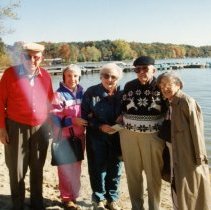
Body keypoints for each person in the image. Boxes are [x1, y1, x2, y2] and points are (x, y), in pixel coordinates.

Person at [0, 42, 53, 210]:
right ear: (21, 57)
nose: (32, 60)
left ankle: (37, 203)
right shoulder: (10, 74)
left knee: (37, 167)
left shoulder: (45, 75)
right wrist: (2, 128)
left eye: (36, 57)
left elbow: (49, 101)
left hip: (40, 127)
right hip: (16, 126)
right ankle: (18, 204)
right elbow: (0, 103)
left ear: (41, 58)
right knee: (16, 170)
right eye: (27, 56)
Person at [157, 71, 211, 210]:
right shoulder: (169, 103)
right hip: (173, 152)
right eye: (162, 85)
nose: (164, 88)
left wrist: (200, 157)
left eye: (168, 84)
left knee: (188, 187)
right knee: (177, 184)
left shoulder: (186, 102)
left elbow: (197, 131)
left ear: (178, 85)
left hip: (186, 154)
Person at [120, 56, 167, 210]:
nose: (141, 72)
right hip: (129, 136)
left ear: (154, 69)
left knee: (153, 175)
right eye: (137, 69)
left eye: (145, 68)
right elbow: (122, 107)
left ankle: (154, 207)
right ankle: (136, 207)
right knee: (133, 174)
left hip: (152, 137)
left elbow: (170, 109)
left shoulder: (161, 86)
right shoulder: (128, 86)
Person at [81, 63, 123, 210]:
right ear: (100, 76)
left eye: (113, 76)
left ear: (118, 78)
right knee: (97, 168)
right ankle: (98, 198)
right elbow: (85, 116)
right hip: (96, 136)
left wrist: (123, 117)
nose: (109, 79)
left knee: (116, 168)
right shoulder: (91, 92)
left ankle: (112, 199)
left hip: (117, 136)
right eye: (106, 75)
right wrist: (99, 125)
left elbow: (130, 111)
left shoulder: (123, 93)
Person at [50, 64, 87, 210]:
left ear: (79, 77)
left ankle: (74, 196)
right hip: (64, 138)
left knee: (77, 168)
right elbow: (54, 118)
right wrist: (72, 120)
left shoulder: (83, 92)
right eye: (69, 75)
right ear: (64, 77)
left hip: (79, 137)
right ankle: (66, 199)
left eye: (76, 75)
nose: (73, 78)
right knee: (65, 169)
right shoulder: (58, 94)